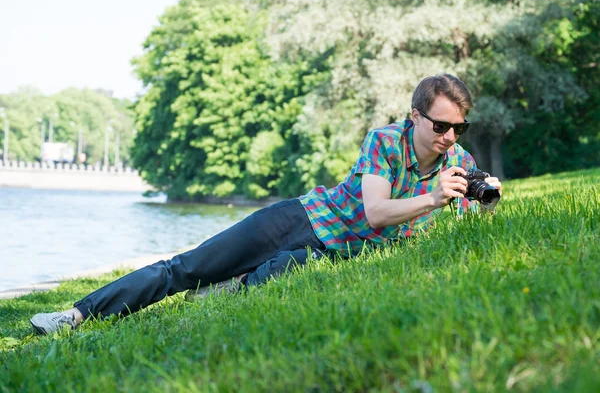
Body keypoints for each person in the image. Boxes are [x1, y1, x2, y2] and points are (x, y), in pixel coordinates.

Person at [30, 73, 502, 335]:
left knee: (265, 281)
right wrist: (434, 197)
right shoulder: (384, 141)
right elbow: (376, 212)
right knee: (188, 268)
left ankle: (231, 287)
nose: (449, 138)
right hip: (302, 220)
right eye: (441, 126)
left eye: (459, 129)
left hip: (336, 254)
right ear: (415, 116)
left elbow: (465, 237)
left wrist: (486, 205)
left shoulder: (459, 160)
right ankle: (75, 315)